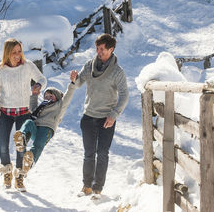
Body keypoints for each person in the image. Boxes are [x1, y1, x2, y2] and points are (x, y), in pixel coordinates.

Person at [71, 33, 129, 200]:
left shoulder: (117, 72)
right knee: (89, 153)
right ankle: (87, 186)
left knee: (102, 153)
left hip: (106, 118)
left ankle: (97, 189)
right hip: (89, 116)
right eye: (97, 48)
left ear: (111, 49)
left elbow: (124, 95)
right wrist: (74, 79)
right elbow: (79, 82)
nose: (99, 51)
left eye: (102, 49)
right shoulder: (89, 66)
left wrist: (114, 114)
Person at [0, 38, 46, 192]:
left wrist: (38, 85)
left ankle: (19, 177)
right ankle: (7, 173)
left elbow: (41, 78)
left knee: (21, 146)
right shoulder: (0, 70)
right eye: (13, 52)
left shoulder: (27, 66)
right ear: (7, 53)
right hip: (5, 113)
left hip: (23, 112)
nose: (17, 55)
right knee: (3, 146)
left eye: (19, 51)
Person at [12, 71, 77, 184]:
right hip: (35, 128)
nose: (47, 97)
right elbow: (32, 109)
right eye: (46, 96)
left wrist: (72, 83)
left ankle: (29, 161)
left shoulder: (59, 106)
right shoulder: (41, 107)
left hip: (47, 129)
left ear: (56, 98)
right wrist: (34, 95)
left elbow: (68, 96)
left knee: (38, 145)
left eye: (50, 96)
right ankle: (21, 138)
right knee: (28, 122)